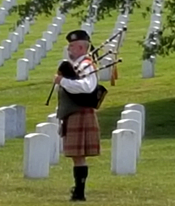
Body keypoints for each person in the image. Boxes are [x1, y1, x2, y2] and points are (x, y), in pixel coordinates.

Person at [54, 30, 101, 201]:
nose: (69, 49)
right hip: (73, 113)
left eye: (72, 46)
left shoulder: (87, 65)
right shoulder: (77, 65)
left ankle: (80, 192)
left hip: (80, 112)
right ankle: (78, 191)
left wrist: (63, 81)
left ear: (81, 47)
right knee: (77, 156)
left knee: (78, 156)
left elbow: (86, 87)